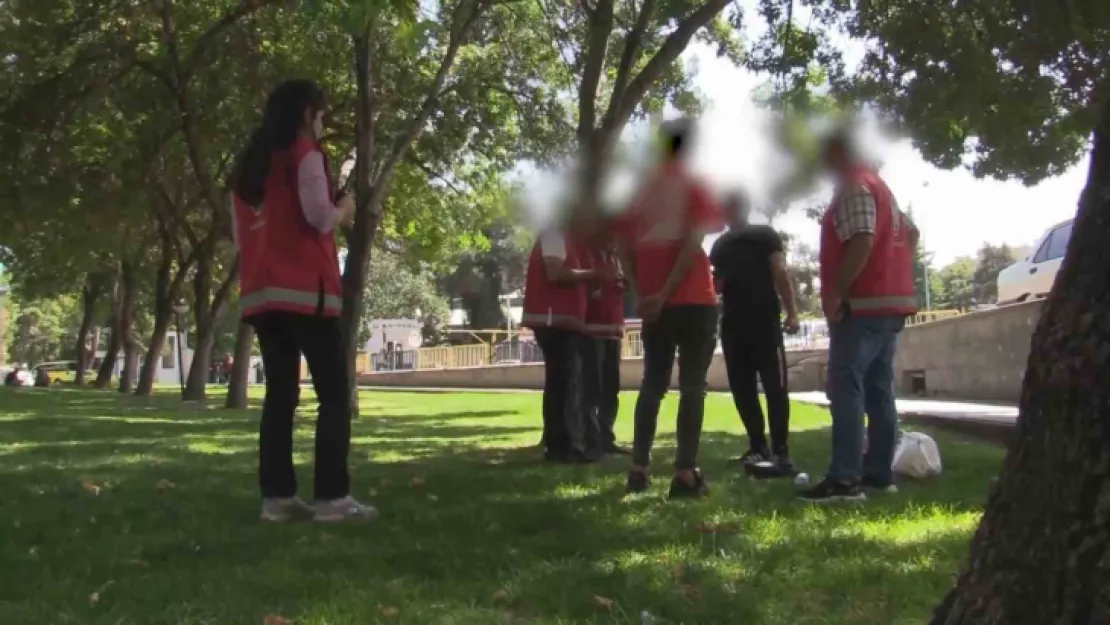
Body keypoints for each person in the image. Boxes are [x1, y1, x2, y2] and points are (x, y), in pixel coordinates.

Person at [229, 79, 373, 522]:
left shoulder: (247, 172)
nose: (324, 121)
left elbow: (241, 239)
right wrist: (346, 207)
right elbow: (320, 217)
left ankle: (278, 498)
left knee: (280, 397)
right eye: (322, 112)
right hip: (306, 293)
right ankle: (333, 499)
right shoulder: (305, 154)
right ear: (308, 112)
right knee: (333, 393)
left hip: (263, 296)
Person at [798, 130, 918, 503]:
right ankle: (879, 474)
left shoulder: (854, 186)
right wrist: (892, 268)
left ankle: (845, 479)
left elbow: (862, 239)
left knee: (846, 386)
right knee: (879, 388)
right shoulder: (884, 190)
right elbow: (911, 235)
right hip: (890, 304)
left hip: (862, 306)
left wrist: (837, 291)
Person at [613, 119, 723, 499]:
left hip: (653, 306)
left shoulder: (638, 189)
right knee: (692, 387)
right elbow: (694, 243)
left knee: (652, 385)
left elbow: (622, 246)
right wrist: (664, 292)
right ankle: (685, 473)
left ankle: (639, 468)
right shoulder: (695, 182)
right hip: (692, 300)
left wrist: (642, 291)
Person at [709, 192, 799, 476]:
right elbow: (717, 285)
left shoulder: (762, 235)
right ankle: (761, 446)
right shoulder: (722, 245)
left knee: (769, 386)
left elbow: (780, 271)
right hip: (738, 322)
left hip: (759, 320)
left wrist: (792, 311)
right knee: (746, 387)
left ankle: (776, 448)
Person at [521, 222, 609, 463]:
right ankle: (564, 446)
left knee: (564, 385)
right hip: (553, 321)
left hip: (564, 322)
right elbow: (555, 273)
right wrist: (595, 275)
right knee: (565, 386)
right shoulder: (555, 235)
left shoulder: (570, 241)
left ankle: (564, 445)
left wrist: (592, 284)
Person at [581, 237, 630, 456]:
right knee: (593, 388)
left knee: (612, 388)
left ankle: (606, 437)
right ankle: (591, 440)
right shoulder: (587, 254)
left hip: (614, 332)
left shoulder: (616, 258)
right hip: (592, 330)